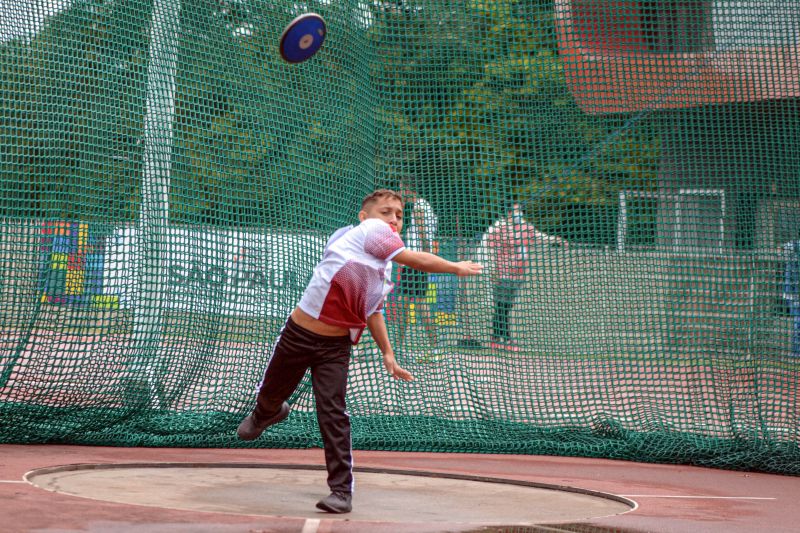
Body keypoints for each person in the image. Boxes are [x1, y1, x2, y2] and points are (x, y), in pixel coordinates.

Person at [236, 189, 482, 514]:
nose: (394, 219)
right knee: (270, 396)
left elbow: (373, 310)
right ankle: (266, 412)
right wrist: (454, 267)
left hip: (335, 347)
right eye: (386, 212)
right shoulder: (371, 232)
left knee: (333, 412)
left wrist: (388, 353)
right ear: (365, 218)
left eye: (399, 214)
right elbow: (415, 259)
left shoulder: (384, 264)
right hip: (298, 335)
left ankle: (340, 492)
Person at [486, 202, 567, 352]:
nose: (519, 213)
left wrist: (556, 239)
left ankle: (501, 338)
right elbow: (490, 250)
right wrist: (492, 271)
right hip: (503, 272)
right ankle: (501, 338)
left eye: (520, 210)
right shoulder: (499, 228)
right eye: (516, 211)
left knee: (507, 306)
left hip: (518, 274)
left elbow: (538, 236)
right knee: (501, 306)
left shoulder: (525, 227)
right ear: (509, 213)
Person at [392, 183, 440, 359]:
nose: (400, 193)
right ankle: (402, 345)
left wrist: (426, 257)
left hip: (415, 259)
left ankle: (432, 346)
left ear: (407, 189)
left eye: (401, 189)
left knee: (413, 302)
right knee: (409, 301)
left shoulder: (419, 207)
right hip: (417, 260)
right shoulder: (424, 205)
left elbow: (422, 233)